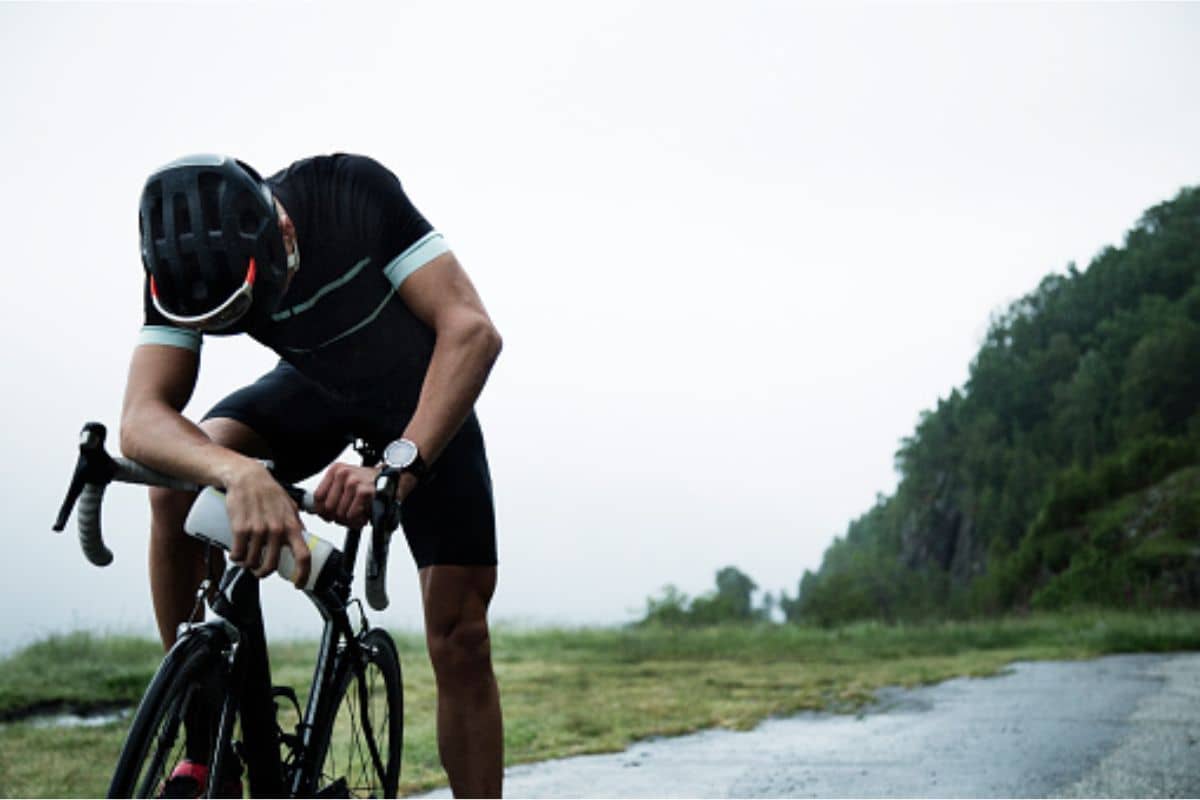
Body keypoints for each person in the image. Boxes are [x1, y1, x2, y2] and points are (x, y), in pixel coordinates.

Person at [122, 153, 503, 797]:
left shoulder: (347, 193)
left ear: (283, 237)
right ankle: (203, 738)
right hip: (314, 391)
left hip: (423, 402)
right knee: (172, 485)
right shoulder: (184, 269)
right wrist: (236, 472)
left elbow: (471, 331)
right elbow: (141, 418)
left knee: (460, 636)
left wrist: (397, 465)